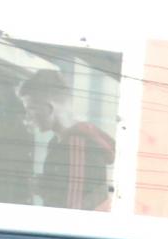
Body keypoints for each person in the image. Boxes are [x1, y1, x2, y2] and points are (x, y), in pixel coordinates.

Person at [18, 69, 115, 211]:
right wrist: (44, 186)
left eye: (30, 109)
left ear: (49, 108)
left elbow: (74, 209)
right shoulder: (55, 142)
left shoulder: (78, 144)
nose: (27, 117)